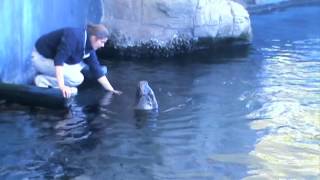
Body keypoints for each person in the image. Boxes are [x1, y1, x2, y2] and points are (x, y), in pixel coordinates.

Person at [31, 23, 122, 98]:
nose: (103, 45)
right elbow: (59, 61)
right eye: (102, 42)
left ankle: (55, 82)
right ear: (94, 38)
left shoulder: (89, 46)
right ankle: (42, 80)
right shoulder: (74, 37)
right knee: (77, 79)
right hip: (40, 58)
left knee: (81, 67)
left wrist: (111, 90)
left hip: (51, 59)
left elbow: (96, 69)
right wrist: (62, 86)